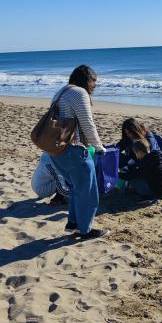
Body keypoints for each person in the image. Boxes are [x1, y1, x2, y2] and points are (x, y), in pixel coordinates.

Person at [49, 65, 109, 240]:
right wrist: (99, 147)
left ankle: (73, 224)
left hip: (57, 150)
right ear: (87, 79)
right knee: (89, 192)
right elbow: (87, 124)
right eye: (94, 81)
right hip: (73, 150)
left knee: (76, 188)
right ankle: (86, 231)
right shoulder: (79, 93)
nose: (95, 85)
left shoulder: (61, 92)